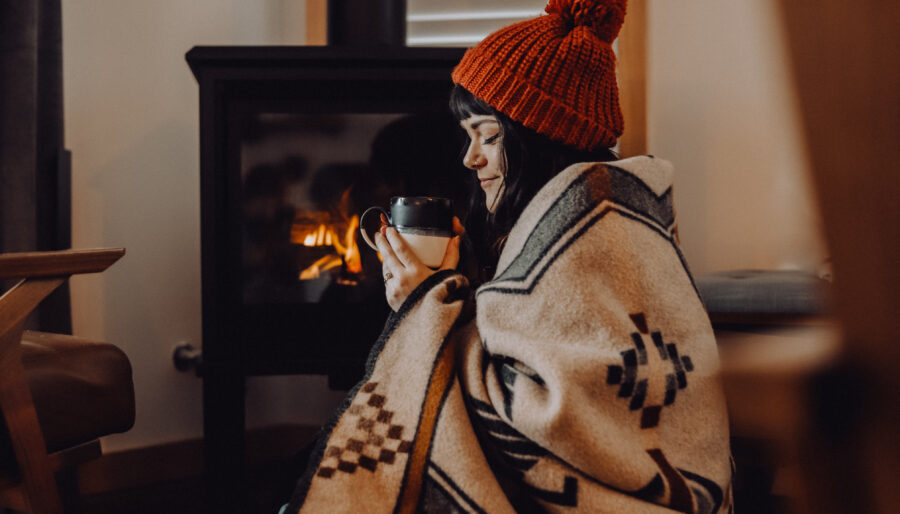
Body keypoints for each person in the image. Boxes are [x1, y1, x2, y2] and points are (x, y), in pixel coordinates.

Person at [285, 1, 732, 512]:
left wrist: (426, 304)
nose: (470, 158)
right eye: (467, 135)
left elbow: (543, 411)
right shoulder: (567, 218)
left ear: (542, 138)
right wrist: (452, 287)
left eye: (488, 135)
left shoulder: (594, 222)